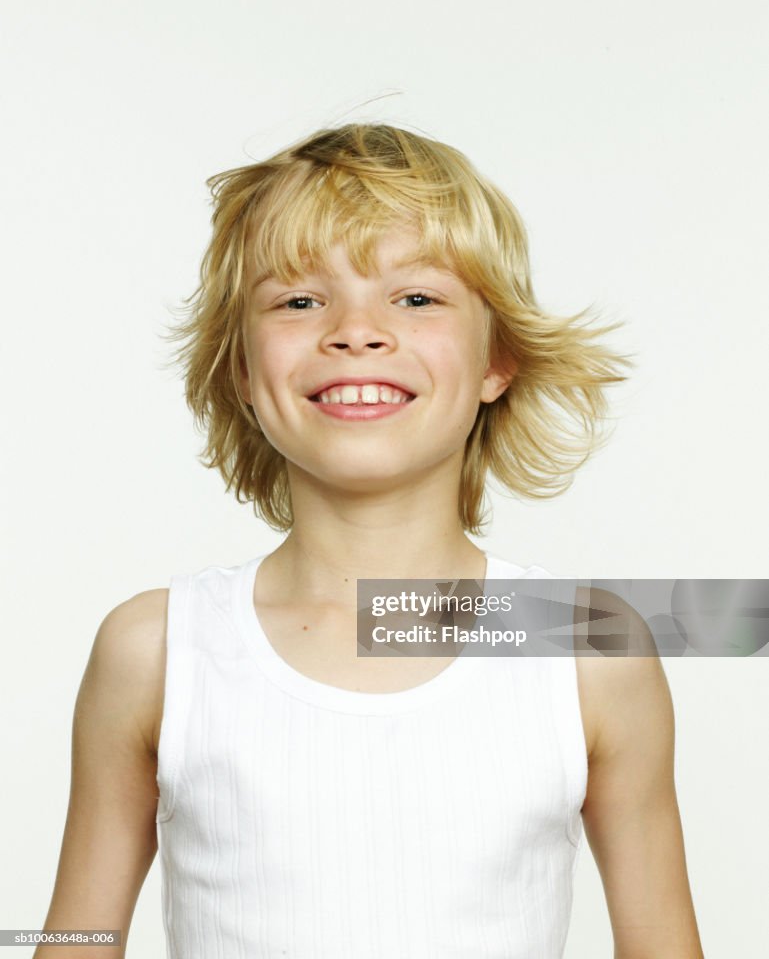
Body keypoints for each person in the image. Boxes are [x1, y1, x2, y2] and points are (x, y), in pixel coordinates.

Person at [35, 123, 705, 958]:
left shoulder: (588, 648)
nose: (356, 331)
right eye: (299, 300)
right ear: (242, 369)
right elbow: (76, 938)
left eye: (416, 297)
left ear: (497, 358)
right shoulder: (156, 647)